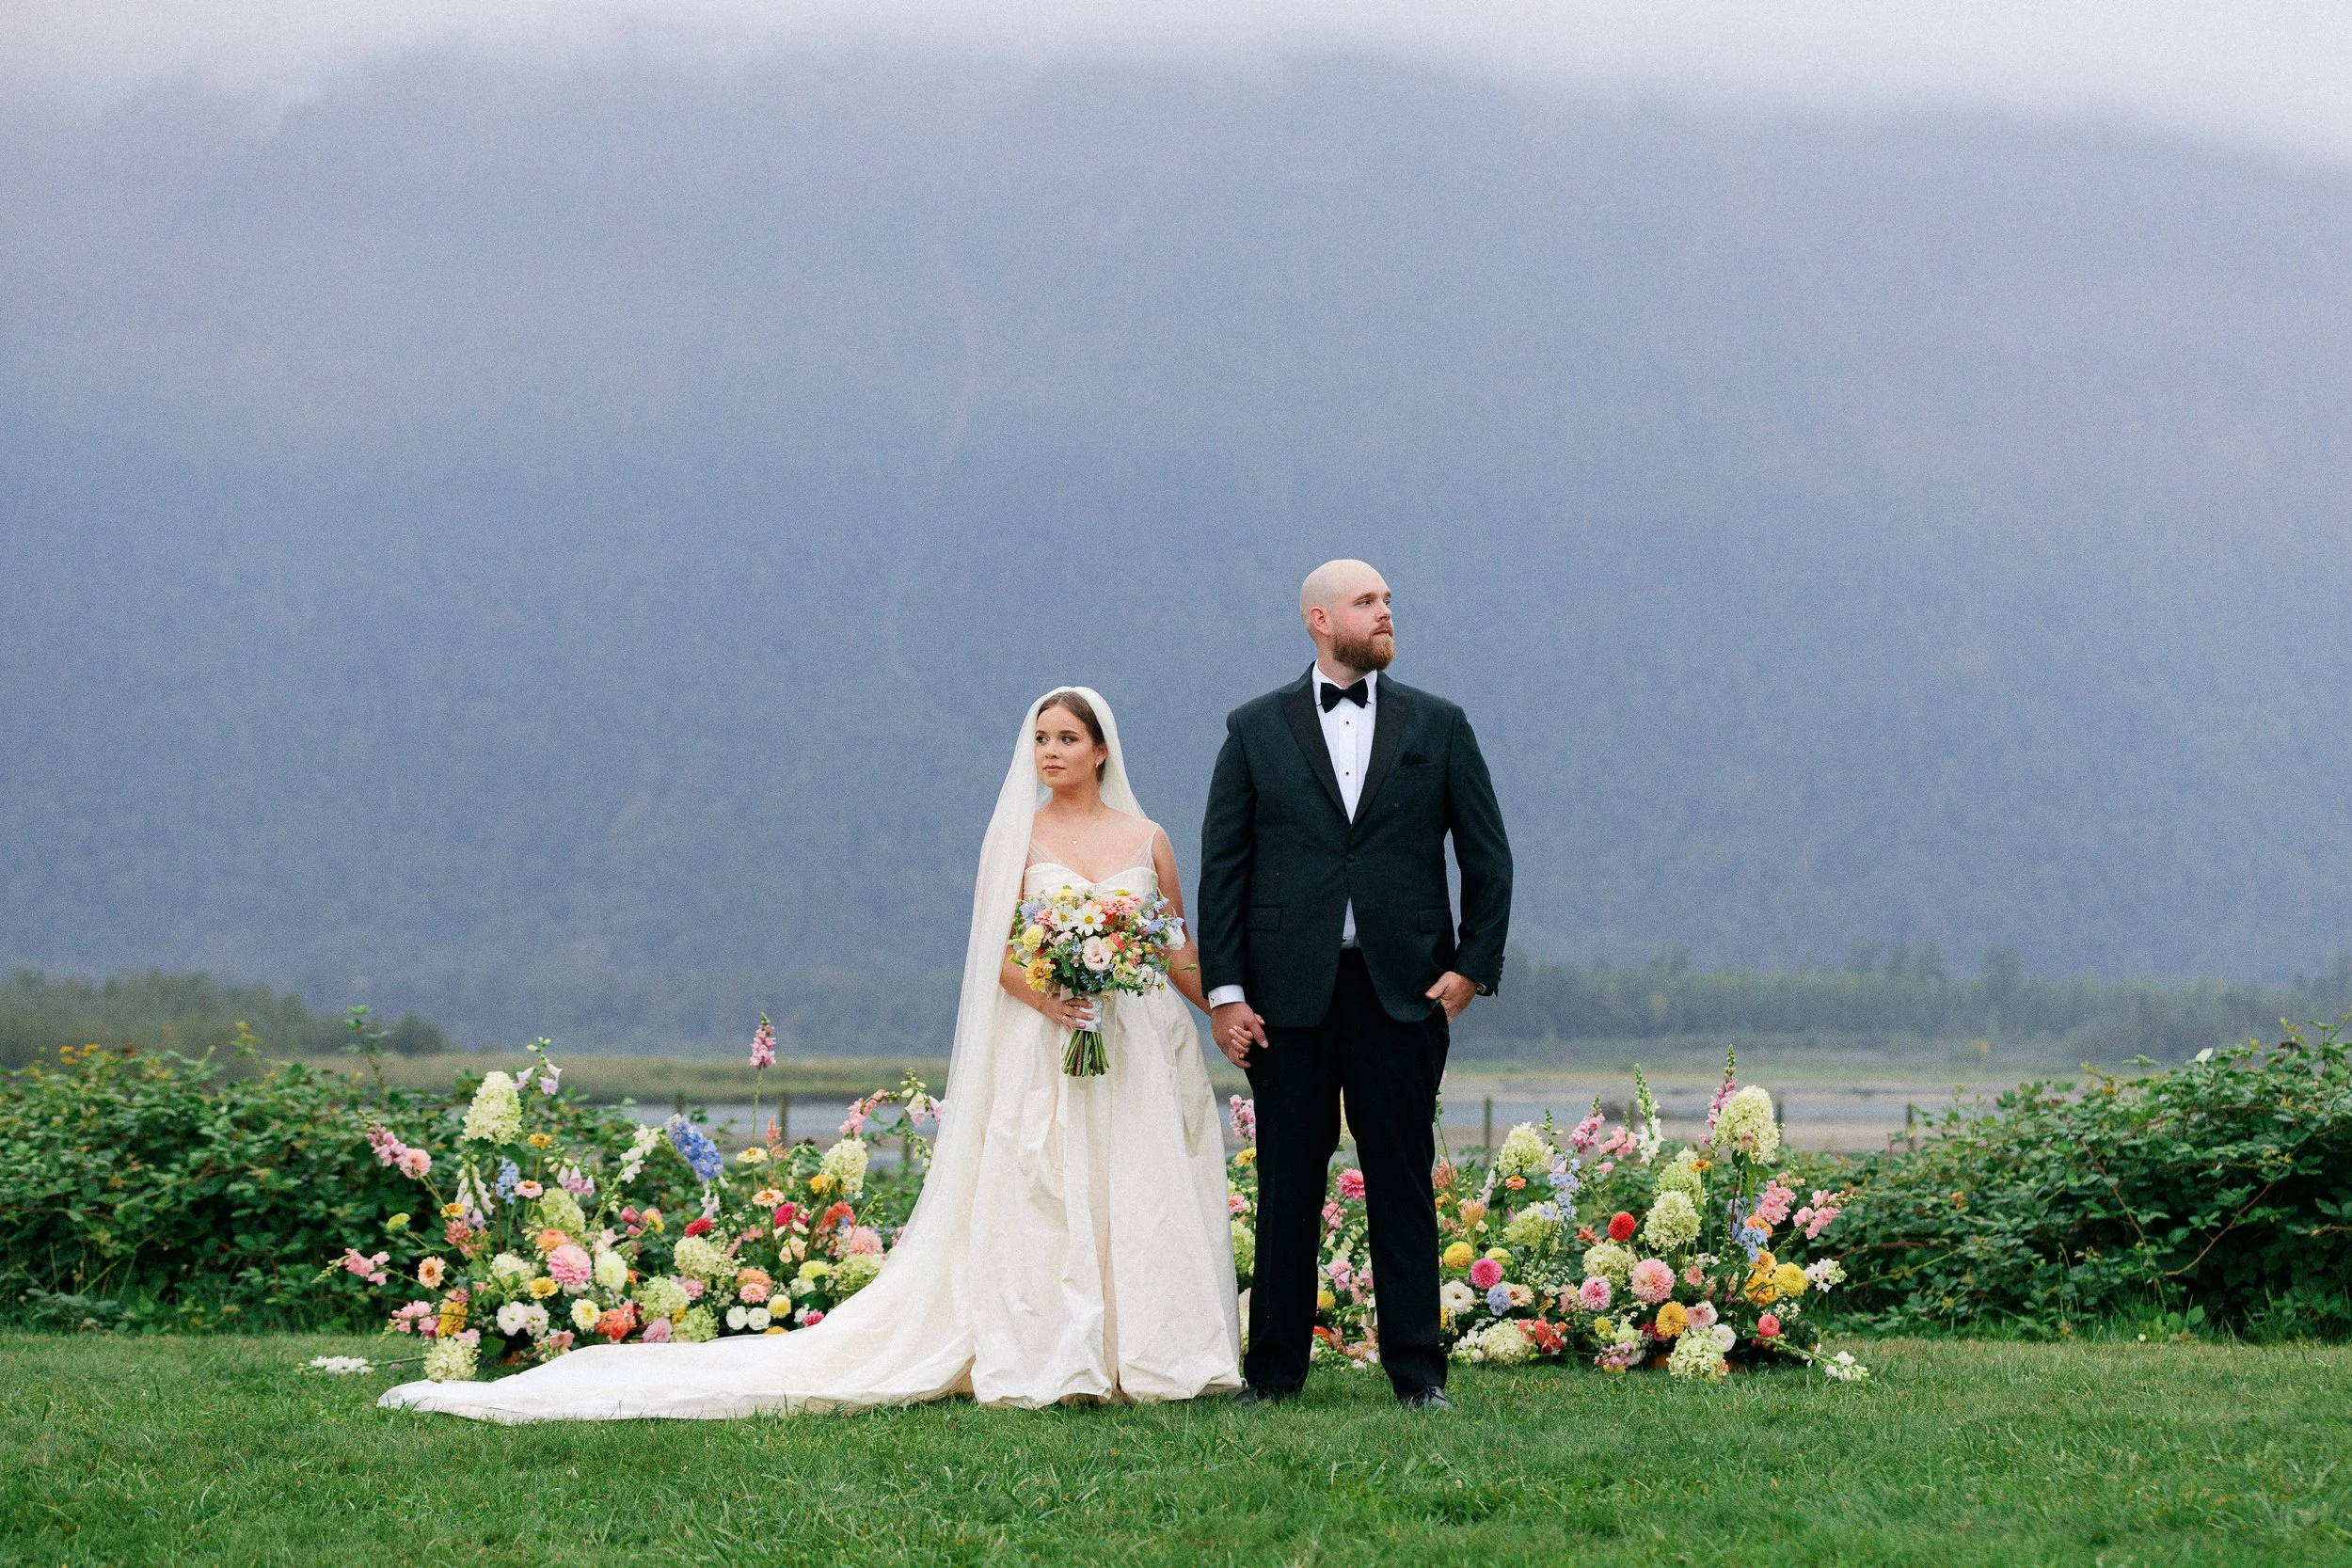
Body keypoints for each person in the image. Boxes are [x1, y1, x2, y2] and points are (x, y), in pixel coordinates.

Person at [379, 687, 1240, 1419]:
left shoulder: (1147, 838)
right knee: (1044, 1186)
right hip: (1045, 1038)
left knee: (1135, 1185)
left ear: (1099, 750)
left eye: (1066, 740)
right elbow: (995, 954)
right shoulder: (1018, 838)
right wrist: (1052, 996)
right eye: (1041, 739)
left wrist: (1231, 1012)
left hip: (1127, 1043)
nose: (1049, 752)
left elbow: (1174, 947)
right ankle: (1057, 1352)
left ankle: (1146, 1350)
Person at [1198, 560, 1512, 1409]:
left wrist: (1471, 969)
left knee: (1403, 1180)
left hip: (1404, 992)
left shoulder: (1440, 725)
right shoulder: (1254, 727)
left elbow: (1487, 857)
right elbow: (1223, 868)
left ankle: (1418, 1374)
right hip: (1283, 997)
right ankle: (1272, 1375)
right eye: (1368, 602)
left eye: (1388, 602)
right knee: (1287, 1185)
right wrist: (1224, 994)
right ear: (1318, 618)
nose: (1386, 614)